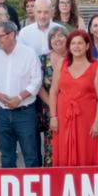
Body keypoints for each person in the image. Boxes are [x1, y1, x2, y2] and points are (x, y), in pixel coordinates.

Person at [0, 21, 42, 168]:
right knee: (7, 155)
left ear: (11, 35)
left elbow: (36, 81)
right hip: (1, 112)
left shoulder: (29, 53)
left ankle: (33, 189)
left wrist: (19, 98)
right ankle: (8, 189)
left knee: (31, 154)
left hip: (24, 112)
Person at [49, 29, 98, 166]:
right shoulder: (61, 64)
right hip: (63, 118)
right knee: (63, 150)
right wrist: (53, 116)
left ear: (87, 46)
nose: (76, 46)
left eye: (80, 43)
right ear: (68, 46)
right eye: (73, 43)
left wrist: (97, 122)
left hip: (87, 118)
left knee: (87, 150)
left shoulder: (96, 66)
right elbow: (53, 91)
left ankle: (88, 184)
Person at [37, 26, 69, 166]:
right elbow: (38, 86)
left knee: (70, 143)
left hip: (71, 109)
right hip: (50, 109)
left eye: (61, 35)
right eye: (53, 37)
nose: (57, 39)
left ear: (67, 38)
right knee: (52, 145)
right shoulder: (42, 59)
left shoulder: (74, 57)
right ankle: (53, 178)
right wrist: (54, 105)